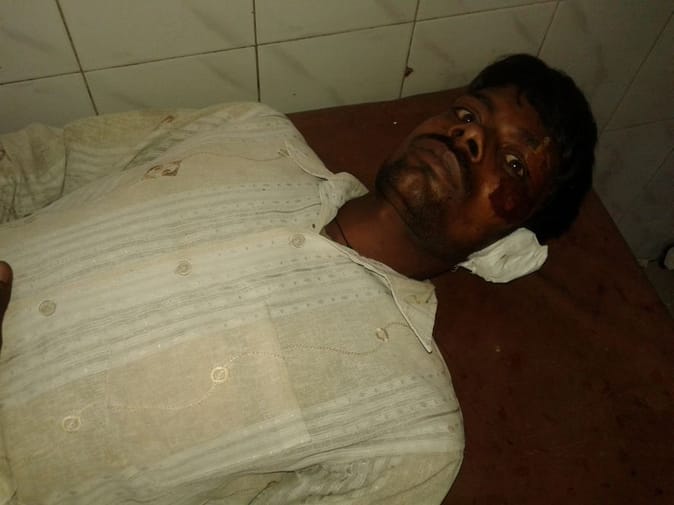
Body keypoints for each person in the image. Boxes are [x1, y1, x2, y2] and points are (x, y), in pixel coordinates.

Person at [0, 54, 596, 504]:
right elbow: (40, 163)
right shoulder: (250, 129)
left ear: (511, 241)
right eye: (467, 114)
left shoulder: (412, 433)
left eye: (513, 163)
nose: (468, 135)